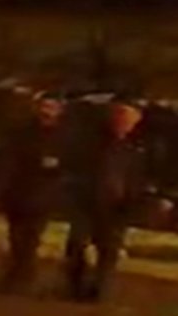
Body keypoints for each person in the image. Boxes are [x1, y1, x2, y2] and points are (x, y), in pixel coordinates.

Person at [61, 99, 150, 302]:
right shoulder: (92, 143)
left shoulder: (135, 149)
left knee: (108, 252)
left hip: (115, 209)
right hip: (86, 203)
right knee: (77, 246)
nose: (122, 122)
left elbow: (137, 179)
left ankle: (99, 290)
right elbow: (74, 169)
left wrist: (133, 203)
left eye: (128, 119)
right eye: (119, 116)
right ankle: (75, 286)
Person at [0, 93, 65, 293]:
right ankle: (17, 272)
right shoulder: (23, 132)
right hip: (19, 192)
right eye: (44, 106)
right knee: (16, 237)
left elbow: (72, 163)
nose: (47, 111)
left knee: (32, 238)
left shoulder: (63, 136)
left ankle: (23, 274)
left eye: (52, 107)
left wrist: (57, 167)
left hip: (44, 194)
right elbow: (9, 160)